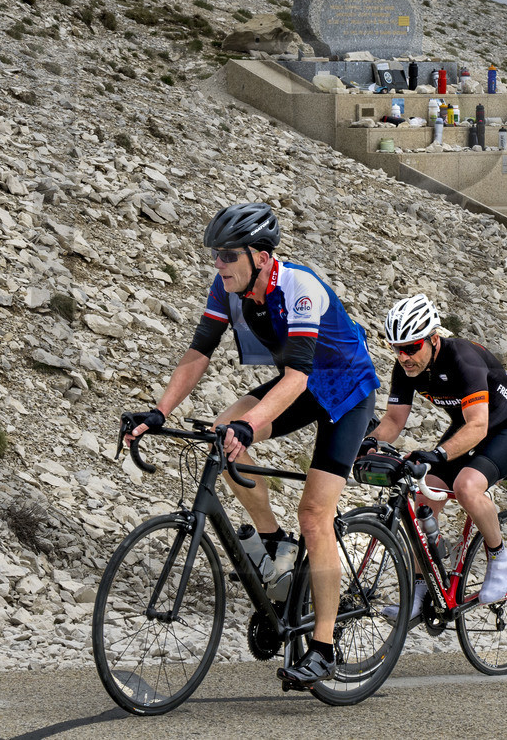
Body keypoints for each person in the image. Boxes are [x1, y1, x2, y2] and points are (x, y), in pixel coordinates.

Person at [124, 202, 381, 688]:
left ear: (260, 256)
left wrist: (252, 426)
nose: (218, 265)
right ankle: (272, 541)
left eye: (227, 256)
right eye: (216, 256)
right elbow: (199, 351)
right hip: (297, 384)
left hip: (344, 393)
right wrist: (160, 412)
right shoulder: (227, 288)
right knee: (223, 429)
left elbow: (300, 376)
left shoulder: (299, 288)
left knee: (315, 514)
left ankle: (324, 647)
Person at [365, 293, 507, 619]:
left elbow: (478, 426)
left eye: (411, 347)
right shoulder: (407, 366)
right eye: (396, 349)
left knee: (467, 486)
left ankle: (500, 557)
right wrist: (366, 444)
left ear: (433, 338)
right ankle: (420, 589)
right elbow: (393, 421)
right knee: (423, 496)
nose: (403, 357)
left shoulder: (463, 359)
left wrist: (438, 453)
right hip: (469, 425)